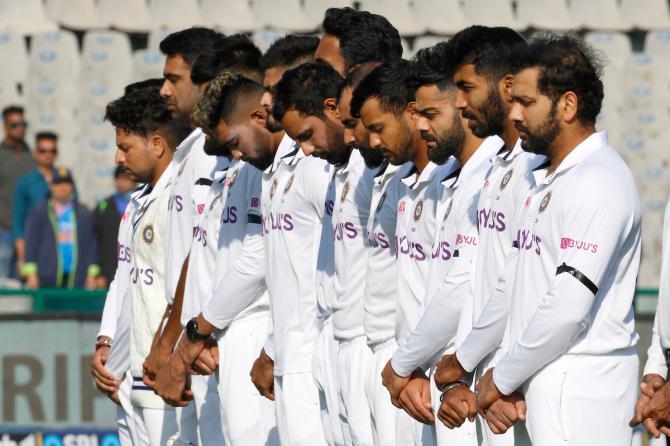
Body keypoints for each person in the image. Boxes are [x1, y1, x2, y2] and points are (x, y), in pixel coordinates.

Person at [475, 35, 641, 446]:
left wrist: (501, 378)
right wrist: (494, 372)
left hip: (583, 386)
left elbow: (567, 306)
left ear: (567, 105)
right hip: (537, 379)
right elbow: (511, 284)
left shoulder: (600, 179)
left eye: (526, 102)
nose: (513, 114)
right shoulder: (542, 176)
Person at [154, 72, 278, 445]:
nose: (233, 152)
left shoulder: (263, 171)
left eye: (232, 142)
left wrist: (198, 332)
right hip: (214, 337)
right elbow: (205, 258)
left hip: (247, 328)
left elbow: (255, 261)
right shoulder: (238, 169)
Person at [352, 60, 458, 445]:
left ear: (409, 112)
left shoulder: (452, 181)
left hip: (443, 370)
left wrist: (408, 363)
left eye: (379, 128)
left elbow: (457, 288)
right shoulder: (399, 181)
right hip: (399, 363)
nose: (374, 142)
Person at [141, 27, 225, 446]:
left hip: (207, 339)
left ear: (205, 81)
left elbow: (199, 250)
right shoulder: (192, 149)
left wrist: (175, 341)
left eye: (174, 79)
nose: (163, 90)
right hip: (191, 333)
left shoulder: (211, 153)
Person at [102, 77, 189, 445]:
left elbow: (186, 284)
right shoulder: (136, 202)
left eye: (124, 147)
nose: (118, 159)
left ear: (156, 144)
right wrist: (106, 346)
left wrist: (171, 352)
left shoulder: (180, 195)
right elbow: (125, 281)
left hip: (164, 373)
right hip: (132, 374)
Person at [266, 61, 342, 446]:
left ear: (332, 108)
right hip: (305, 345)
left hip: (322, 343)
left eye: (308, 135)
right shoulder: (305, 164)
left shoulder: (319, 170)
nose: (307, 149)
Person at [23, 167, 99, 290]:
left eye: (67, 183)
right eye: (58, 183)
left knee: (74, 309)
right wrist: (31, 274)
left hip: (77, 278)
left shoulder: (83, 213)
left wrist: (92, 274)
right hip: (46, 278)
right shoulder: (39, 211)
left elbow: (91, 244)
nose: (63, 187)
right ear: (51, 186)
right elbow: (31, 243)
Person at [12, 131, 59, 273]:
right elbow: (18, 224)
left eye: (52, 150)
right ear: (35, 153)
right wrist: (22, 259)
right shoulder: (25, 182)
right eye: (43, 150)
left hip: (59, 252)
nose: (48, 154)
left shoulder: (65, 181)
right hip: (32, 250)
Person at [0, 105, 35, 278]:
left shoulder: (33, 156)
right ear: (5, 126)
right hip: (4, 230)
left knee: (23, 282)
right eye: (14, 125)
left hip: (27, 232)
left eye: (23, 124)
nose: (20, 128)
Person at [94, 166, 136, 288]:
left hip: (135, 272)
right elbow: (95, 241)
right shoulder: (103, 206)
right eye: (118, 178)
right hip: (107, 274)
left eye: (126, 178)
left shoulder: (141, 202)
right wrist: (98, 273)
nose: (121, 183)